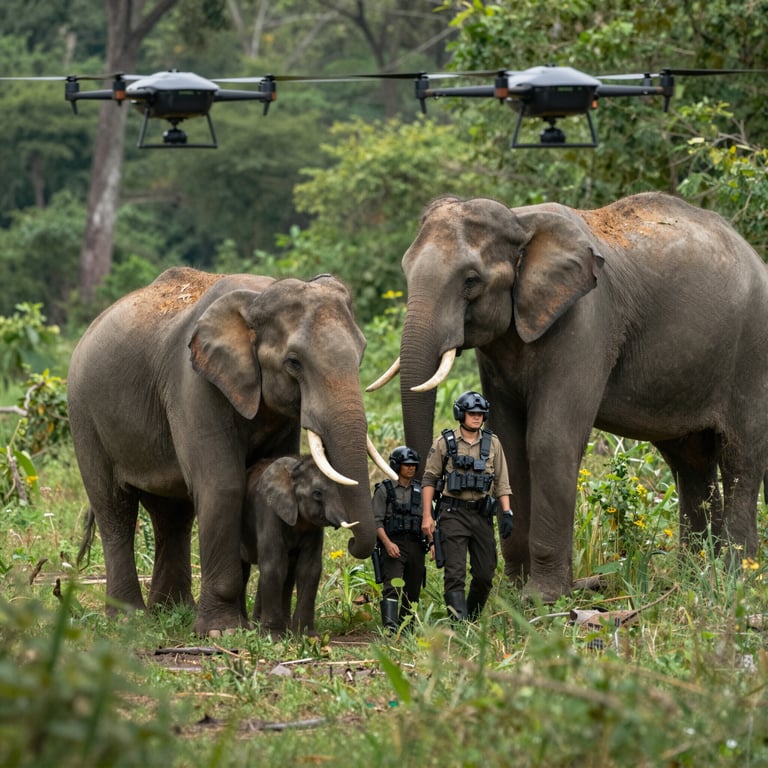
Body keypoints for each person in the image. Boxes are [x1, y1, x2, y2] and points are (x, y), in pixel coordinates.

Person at [421, 390, 514, 622]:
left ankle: (470, 618)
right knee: (455, 572)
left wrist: (507, 511)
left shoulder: (492, 443)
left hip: (482, 514)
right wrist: (427, 516)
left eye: (481, 414)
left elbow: (502, 482)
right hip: (452, 514)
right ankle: (458, 624)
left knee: (485, 573)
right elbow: (429, 480)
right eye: (472, 413)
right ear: (460, 414)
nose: (477, 417)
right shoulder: (444, 443)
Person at [373, 445, 426, 631]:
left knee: (413, 590)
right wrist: (387, 544)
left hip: (417, 546)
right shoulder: (384, 490)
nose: (411, 468)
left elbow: (429, 520)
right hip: (394, 544)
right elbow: (376, 521)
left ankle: (407, 629)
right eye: (406, 464)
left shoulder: (421, 490)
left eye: (413, 464)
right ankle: (390, 628)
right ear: (397, 465)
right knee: (393, 586)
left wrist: (434, 544)